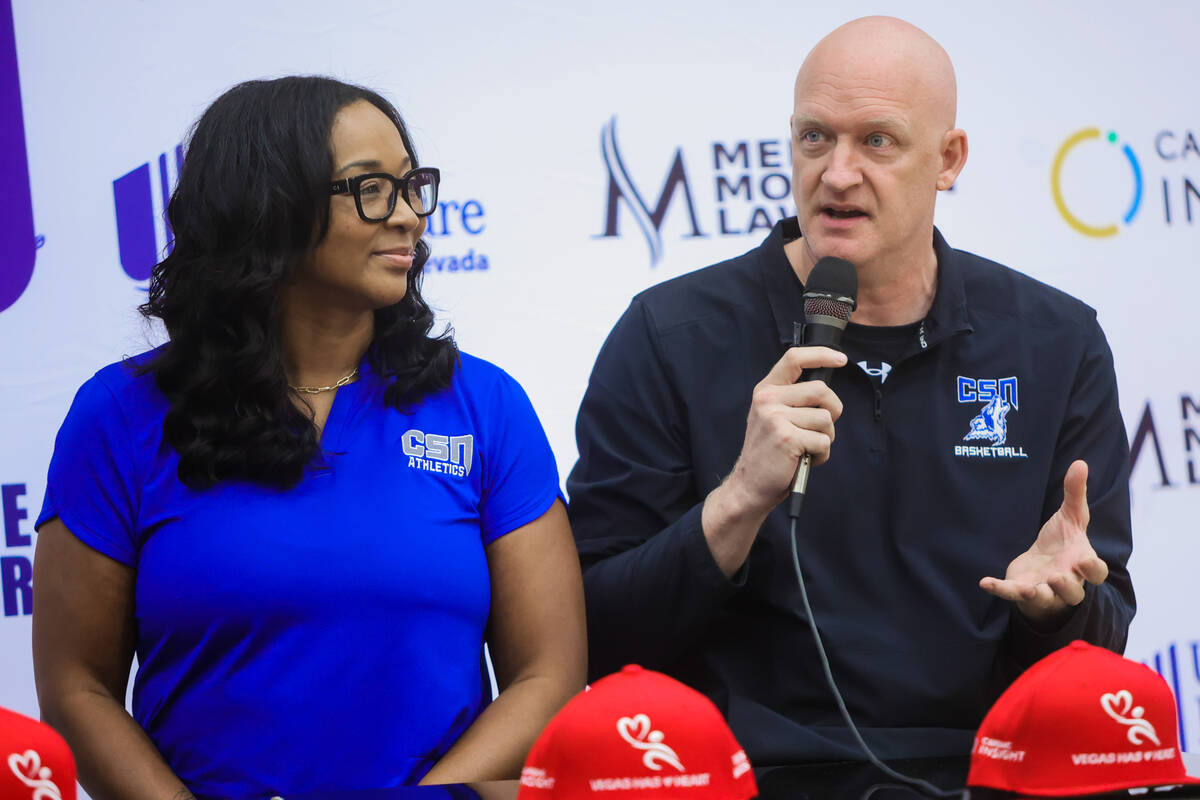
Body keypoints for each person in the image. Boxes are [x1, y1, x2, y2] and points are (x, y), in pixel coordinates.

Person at [567, 16, 1134, 765]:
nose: (836, 173)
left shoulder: (1055, 342)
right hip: (749, 778)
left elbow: (1107, 628)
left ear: (948, 159)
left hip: (988, 772)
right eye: (814, 138)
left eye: (877, 141)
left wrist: (1058, 609)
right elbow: (600, 631)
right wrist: (737, 502)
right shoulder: (668, 336)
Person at [32, 76, 586, 799]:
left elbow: (550, 674)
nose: (410, 216)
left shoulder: (485, 406)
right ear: (267, 208)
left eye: (413, 185)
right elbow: (77, 689)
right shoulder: (119, 414)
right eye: (371, 189)